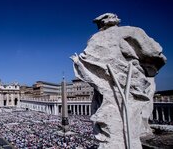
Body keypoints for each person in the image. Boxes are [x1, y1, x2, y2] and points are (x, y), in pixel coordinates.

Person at [71, 13, 166, 149]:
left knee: (112, 121)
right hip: (130, 83)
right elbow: (155, 52)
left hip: (111, 86)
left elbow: (85, 59)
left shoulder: (95, 38)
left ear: (101, 24)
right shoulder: (132, 31)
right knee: (129, 123)